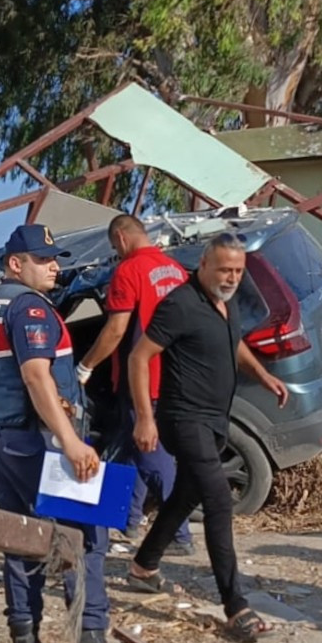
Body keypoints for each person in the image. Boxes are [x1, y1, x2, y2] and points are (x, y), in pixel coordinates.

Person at [123, 233, 289, 643]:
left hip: (215, 419)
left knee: (186, 495)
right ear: (204, 264)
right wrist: (145, 418)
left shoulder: (224, 301)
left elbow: (232, 344)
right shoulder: (180, 304)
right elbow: (138, 356)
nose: (232, 277)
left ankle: (143, 563)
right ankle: (236, 606)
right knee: (218, 500)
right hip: (183, 419)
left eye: (237, 270)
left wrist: (263, 374)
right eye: (224, 269)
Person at [0, 223, 112, 643]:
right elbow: (36, 375)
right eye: (43, 260)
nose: (53, 267)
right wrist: (70, 441)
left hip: (1, 439)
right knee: (84, 537)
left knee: (21, 539)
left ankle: (25, 642)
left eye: (54, 259)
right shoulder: (31, 308)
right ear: (16, 264)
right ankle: (91, 641)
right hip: (43, 442)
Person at [75, 214, 193, 553]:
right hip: (173, 376)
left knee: (152, 456)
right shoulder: (176, 271)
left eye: (114, 247)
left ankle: (179, 533)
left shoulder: (128, 271)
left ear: (122, 239)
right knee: (128, 450)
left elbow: (115, 331)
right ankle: (125, 520)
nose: (116, 252)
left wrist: (86, 366)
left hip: (141, 378)